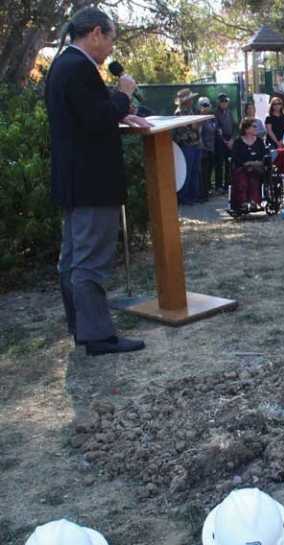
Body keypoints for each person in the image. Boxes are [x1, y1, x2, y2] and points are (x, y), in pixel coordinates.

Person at [45, 6, 149, 355]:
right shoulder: (78, 68)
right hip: (92, 182)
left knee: (73, 260)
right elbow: (95, 118)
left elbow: (87, 117)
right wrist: (123, 94)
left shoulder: (64, 65)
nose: (110, 49)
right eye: (110, 39)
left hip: (75, 180)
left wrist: (125, 114)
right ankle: (98, 336)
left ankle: (83, 328)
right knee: (89, 261)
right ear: (94, 33)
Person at [229, 117, 267, 216]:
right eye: (254, 126)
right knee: (242, 178)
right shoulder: (238, 142)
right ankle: (243, 203)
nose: (256, 128)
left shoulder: (259, 141)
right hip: (242, 167)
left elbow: (264, 156)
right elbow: (235, 157)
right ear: (246, 129)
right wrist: (246, 164)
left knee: (254, 178)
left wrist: (256, 163)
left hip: (256, 168)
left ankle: (254, 202)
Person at [173, 88, 202, 206]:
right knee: (187, 172)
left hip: (195, 144)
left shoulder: (192, 110)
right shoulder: (179, 113)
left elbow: (197, 126)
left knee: (195, 171)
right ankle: (185, 198)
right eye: (190, 99)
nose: (192, 101)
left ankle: (194, 196)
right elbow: (189, 128)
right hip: (186, 145)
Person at [214, 93, 235, 193]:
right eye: (222, 101)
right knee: (219, 163)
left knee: (229, 163)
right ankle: (218, 186)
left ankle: (228, 185)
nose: (224, 103)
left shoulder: (229, 112)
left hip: (229, 139)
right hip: (220, 141)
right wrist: (224, 141)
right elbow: (217, 128)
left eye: (226, 101)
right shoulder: (215, 113)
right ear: (219, 102)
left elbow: (234, 126)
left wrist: (231, 140)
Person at [198, 97, 217, 201]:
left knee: (209, 172)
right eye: (203, 105)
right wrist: (203, 147)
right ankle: (202, 195)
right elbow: (199, 134)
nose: (206, 107)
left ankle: (207, 191)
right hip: (203, 150)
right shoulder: (200, 119)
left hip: (212, 148)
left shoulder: (211, 118)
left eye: (207, 105)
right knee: (203, 173)